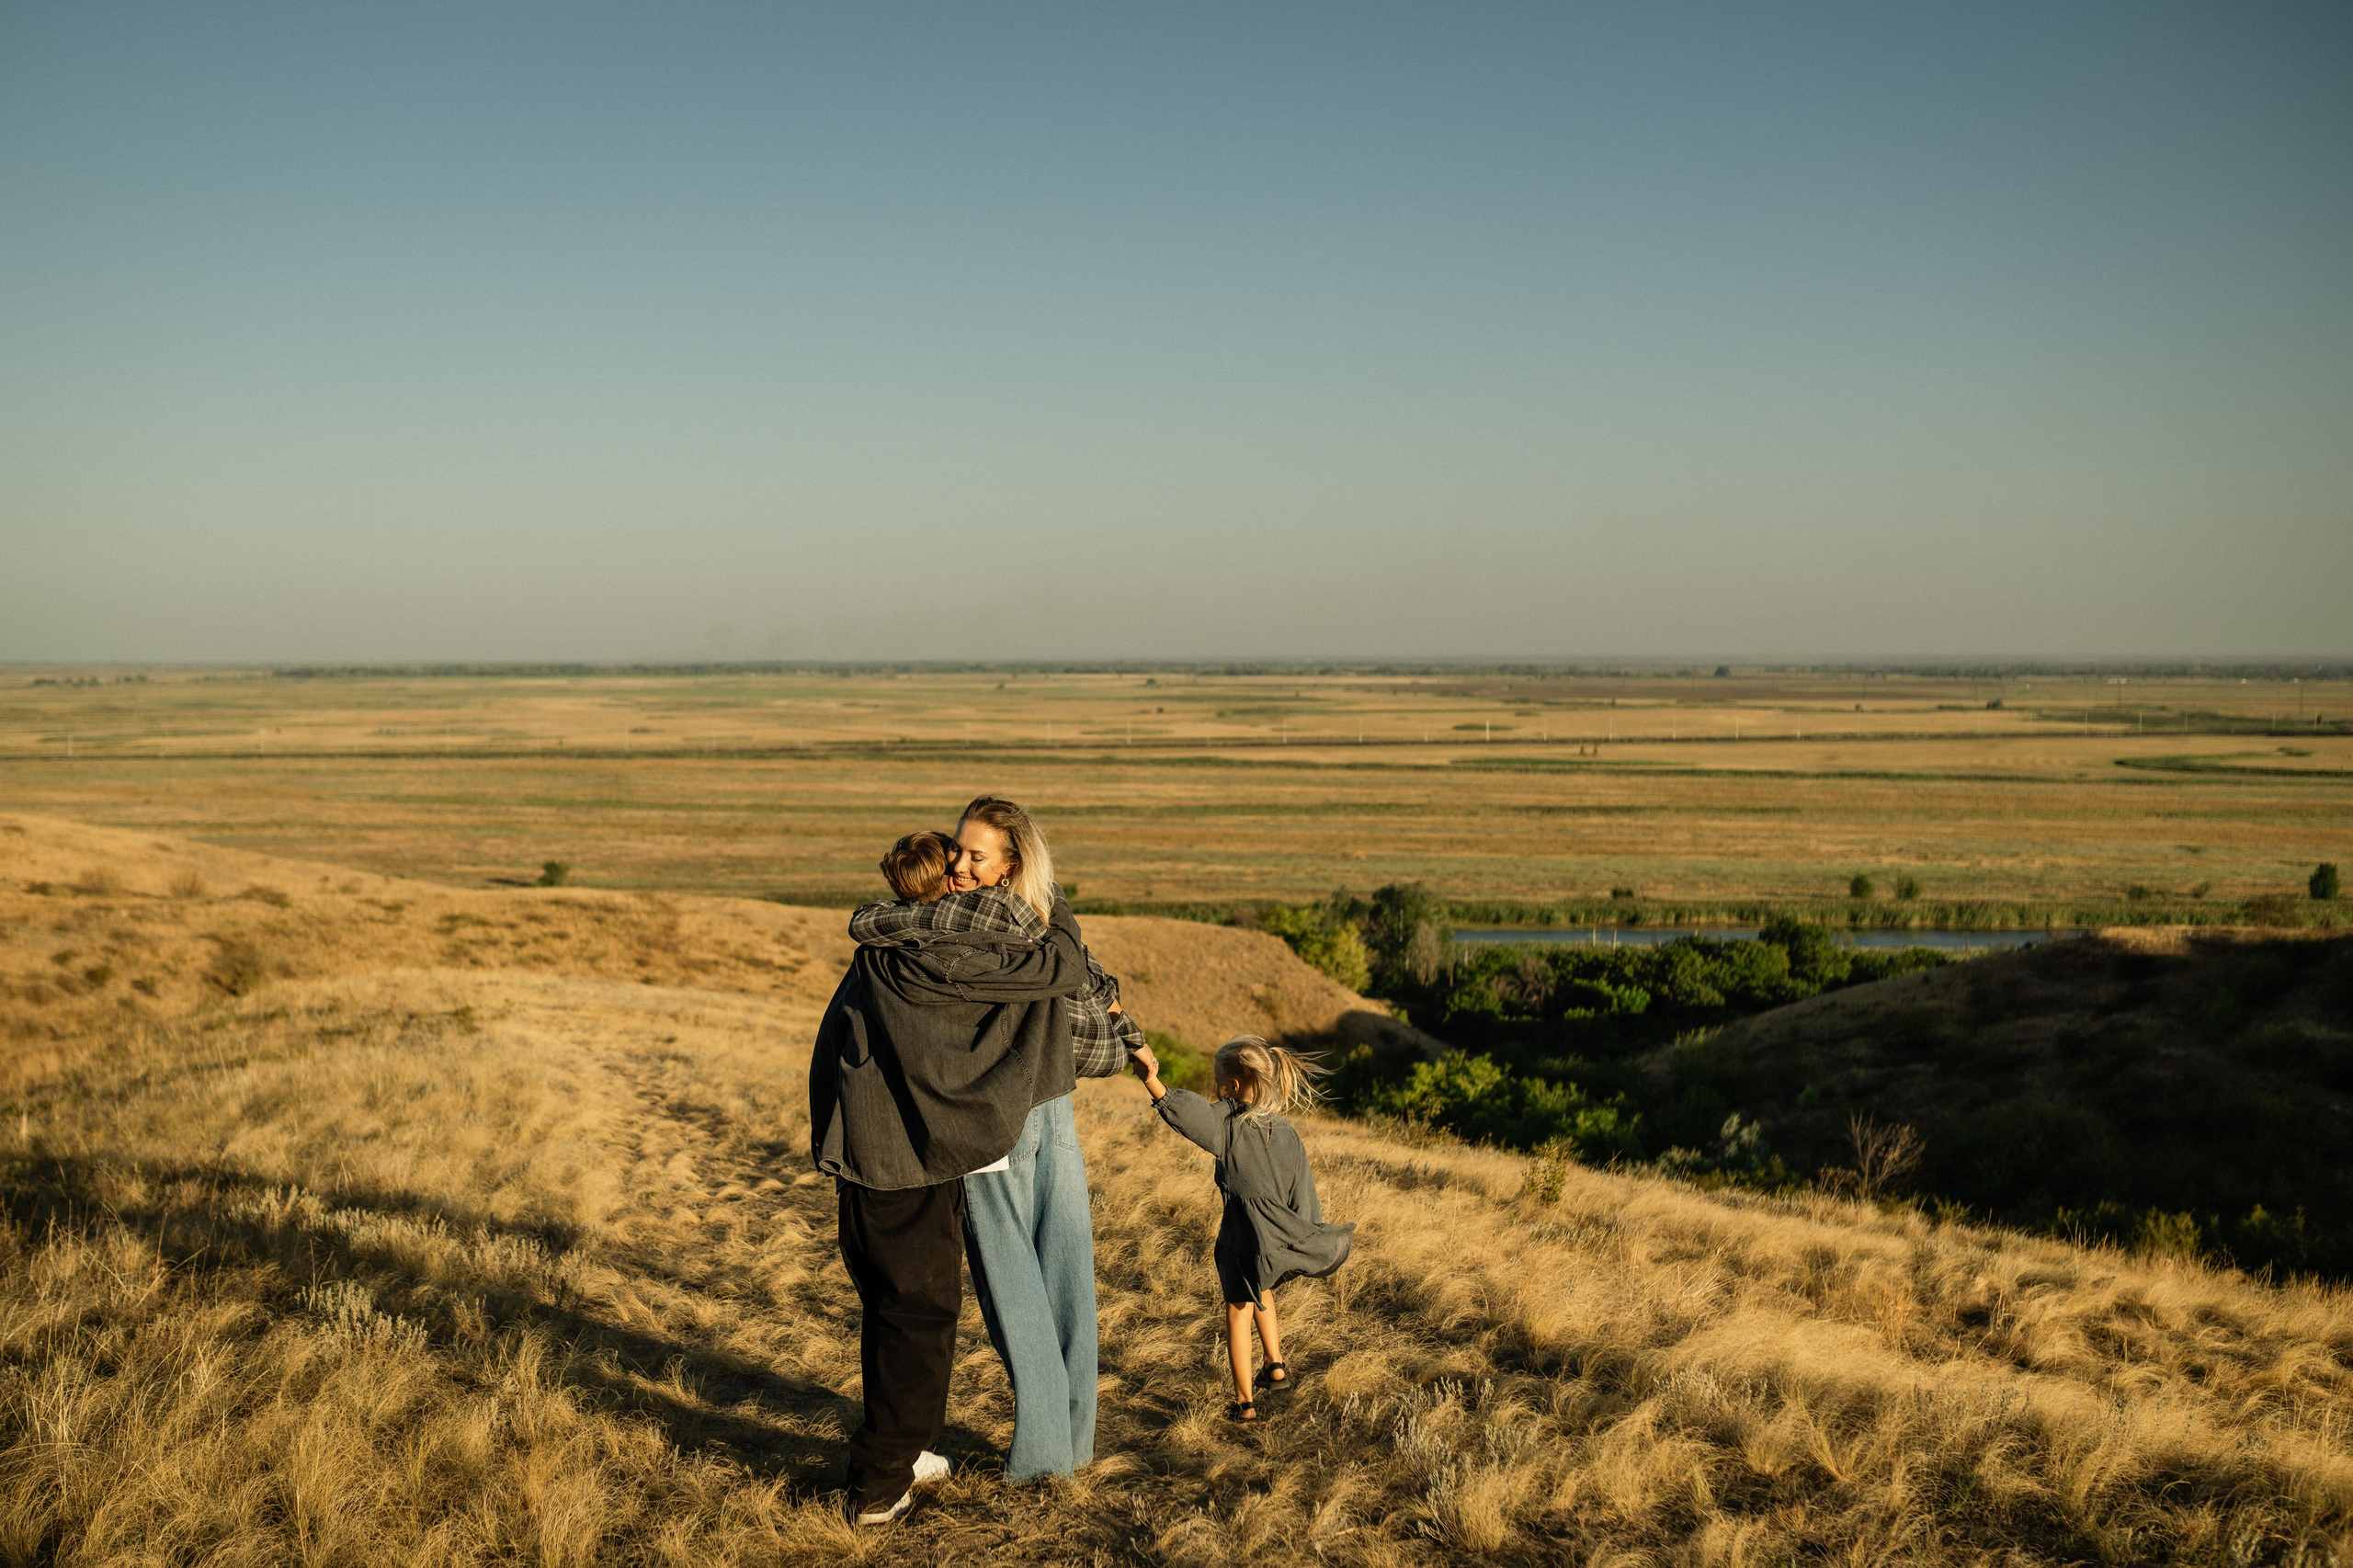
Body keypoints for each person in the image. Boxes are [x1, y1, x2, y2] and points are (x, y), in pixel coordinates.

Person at [810, 819, 1123, 1524]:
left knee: (899, 1311)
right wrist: (1056, 902)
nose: (961, 866)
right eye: (956, 856)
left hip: (883, 1153)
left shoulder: (883, 950)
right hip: (932, 1154)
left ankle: (908, 1449)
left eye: (971, 854)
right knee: (922, 1316)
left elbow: (837, 1045)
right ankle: (881, 1483)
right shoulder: (986, 948)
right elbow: (1069, 975)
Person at [1130, 1035, 1355, 1423]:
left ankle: (1244, 1404)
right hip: (1274, 1235)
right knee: (1262, 1285)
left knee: (1238, 1311)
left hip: (1239, 1235)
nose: (1215, 1091)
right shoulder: (1286, 1132)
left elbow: (1189, 1117)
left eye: (1219, 1083)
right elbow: (1303, 1190)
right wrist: (1305, 1231)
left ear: (1233, 1086)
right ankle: (1276, 1365)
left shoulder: (1227, 1122)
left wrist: (1153, 1082)